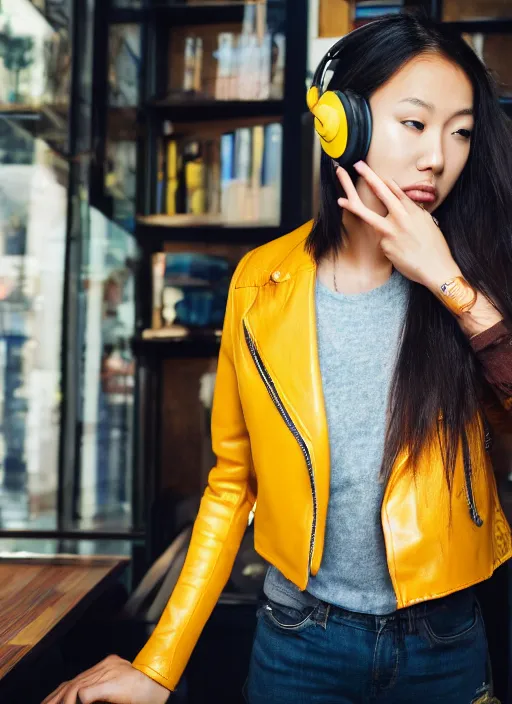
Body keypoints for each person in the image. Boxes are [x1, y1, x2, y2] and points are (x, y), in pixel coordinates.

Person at [43, 12, 512, 704]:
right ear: (339, 123)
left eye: (461, 130)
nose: (438, 156)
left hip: (445, 645)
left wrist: (451, 285)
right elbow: (233, 483)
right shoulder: (261, 282)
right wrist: (158, 663)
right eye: (414, 124)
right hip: (300, 643)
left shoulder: (481, 278)